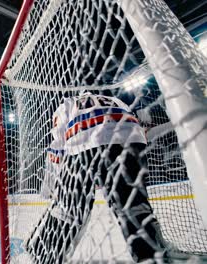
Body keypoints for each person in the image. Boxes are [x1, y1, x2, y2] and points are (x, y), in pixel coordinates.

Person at [26, 92, 169, 263]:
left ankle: (44, 256)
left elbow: (58, 146)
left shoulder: (68, 103)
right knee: (133, 207)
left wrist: (51, 184)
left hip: (86, 142)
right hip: (131, 141)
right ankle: (151, 257)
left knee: (69, 209)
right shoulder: (116, 100)